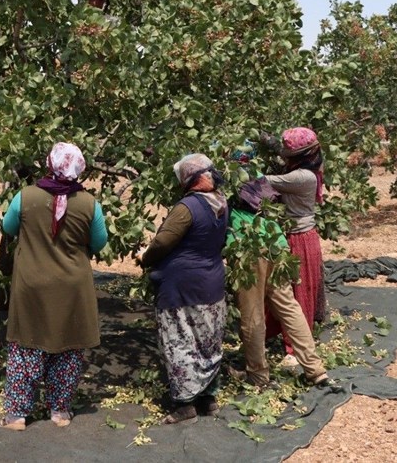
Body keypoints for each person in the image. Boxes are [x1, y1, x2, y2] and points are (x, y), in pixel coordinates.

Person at [0, 142, 108, 431]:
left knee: (26, 346)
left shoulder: (26, 197)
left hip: (31, 284)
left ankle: (17, 415)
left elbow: (8, 228)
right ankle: (59, 411)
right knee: (68, 347)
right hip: (72, 286)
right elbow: (99, 242)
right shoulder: (89, 204)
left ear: (50, 164)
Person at [138, 153, 228, 425]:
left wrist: (144, 257)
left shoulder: (187, 207)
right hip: (212, 280)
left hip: (183, 284)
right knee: (208, 340)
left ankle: (185, 403)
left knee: (179, 340)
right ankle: (208, 398)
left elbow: (163, 242)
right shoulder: (221, 202)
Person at [226, 178, 330, 388]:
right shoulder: (264, 213)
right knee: (289, 307)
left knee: (252, 314)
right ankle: (315, 369)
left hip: (250, 254)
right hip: (277, 247)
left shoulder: (232, 212)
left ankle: (258, 375)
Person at [264, 127, 327, 360]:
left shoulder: (300, 177)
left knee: (297, 292)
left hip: (300, 239)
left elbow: (260, 180)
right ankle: (284, 336)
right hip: (294, 235)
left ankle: (296, 350)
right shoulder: (311, 166)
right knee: (283, 289)